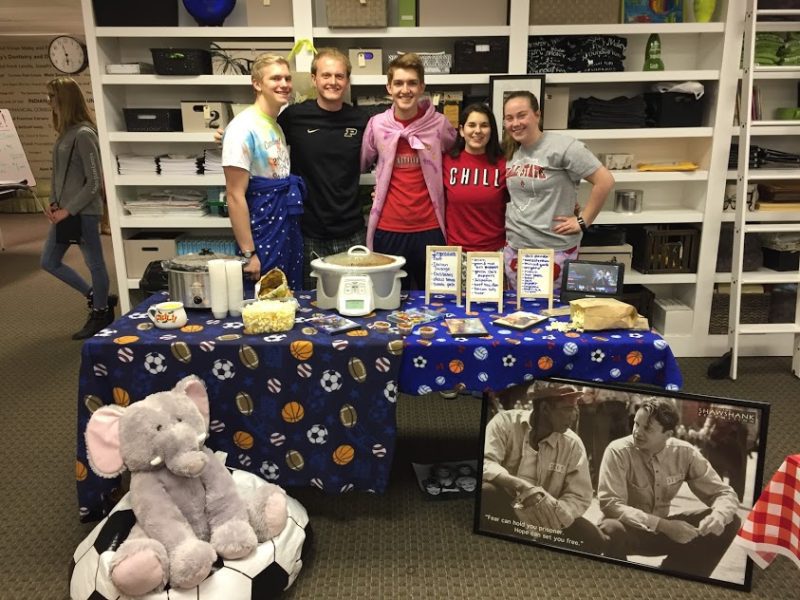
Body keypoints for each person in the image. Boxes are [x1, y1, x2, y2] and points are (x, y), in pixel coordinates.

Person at [597, 397, 741, 578]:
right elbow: (610, 503)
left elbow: (724, 492)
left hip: (665, 534)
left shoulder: (685, 453)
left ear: (667, 435)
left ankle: (674, 578)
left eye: (647, 428)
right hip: (630, 531)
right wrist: (664, 526)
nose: (637, 432)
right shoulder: (617, 451)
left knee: (730, 521)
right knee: (610, 529)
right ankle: (620, 584)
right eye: (636, 424)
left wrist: (718, 516)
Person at [501, 91, 615, 293]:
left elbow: (604, 181)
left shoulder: (563, 146)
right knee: (519, 312)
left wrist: (583, 220)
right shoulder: (512, 152)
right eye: (509, 118)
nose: (515, 123)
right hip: (516, 247)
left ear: (537, 115)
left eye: (521, 115)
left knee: (550, 314)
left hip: (554, 249)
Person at [360, 52, 457, 290]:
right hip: (388, 228)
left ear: (422, 86)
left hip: (430, 228)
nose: (406, 89)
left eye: (412, 83)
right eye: (399, 83)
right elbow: (362, 163)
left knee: (436, 301)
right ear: (389, 87)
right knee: (387, 300)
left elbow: (456, 158)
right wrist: (376, 189)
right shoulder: (377, 124)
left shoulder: (439, 124)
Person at [482, 383, 607, 555]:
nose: (574, 416)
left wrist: (552, 516)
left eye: (575, 408)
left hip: (548, 517)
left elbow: (580, 495)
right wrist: (522, 486)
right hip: (507, 508)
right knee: (485, 492)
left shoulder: (573, 444)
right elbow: (486, 462)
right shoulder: (504, 423)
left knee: (595, 540)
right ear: (545, 408)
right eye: (567, 409)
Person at [41, 76, 117, 340]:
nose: (49, 102)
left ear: (66, 99)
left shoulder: (84, 134)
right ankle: (97, 297)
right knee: (49, 261)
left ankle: (101, 312)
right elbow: (59, 175)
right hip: (64, 211)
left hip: (82, 212)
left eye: (52, 97)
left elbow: (94, 180)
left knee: (94, 262)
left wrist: (68, 209)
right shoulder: (65, 134)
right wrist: (53, 203)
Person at [222, 53, 304, 288]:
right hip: (261, 231)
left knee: (286, 295)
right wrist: (249, 254)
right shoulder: (242, 128)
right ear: (257, 84)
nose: (284, 84)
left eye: (287, 78)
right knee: (263, 299)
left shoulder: (274, 125)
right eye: (275, 78)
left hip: (284, 225)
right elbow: (234, 195)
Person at [443, 102, 507, 255]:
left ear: (491, 130)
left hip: (493, 253)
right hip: (454, 252)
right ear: (461, 130)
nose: (477, 131)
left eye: (484, 125)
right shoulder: (446, 162)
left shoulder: (505, 165)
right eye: (471, 125)